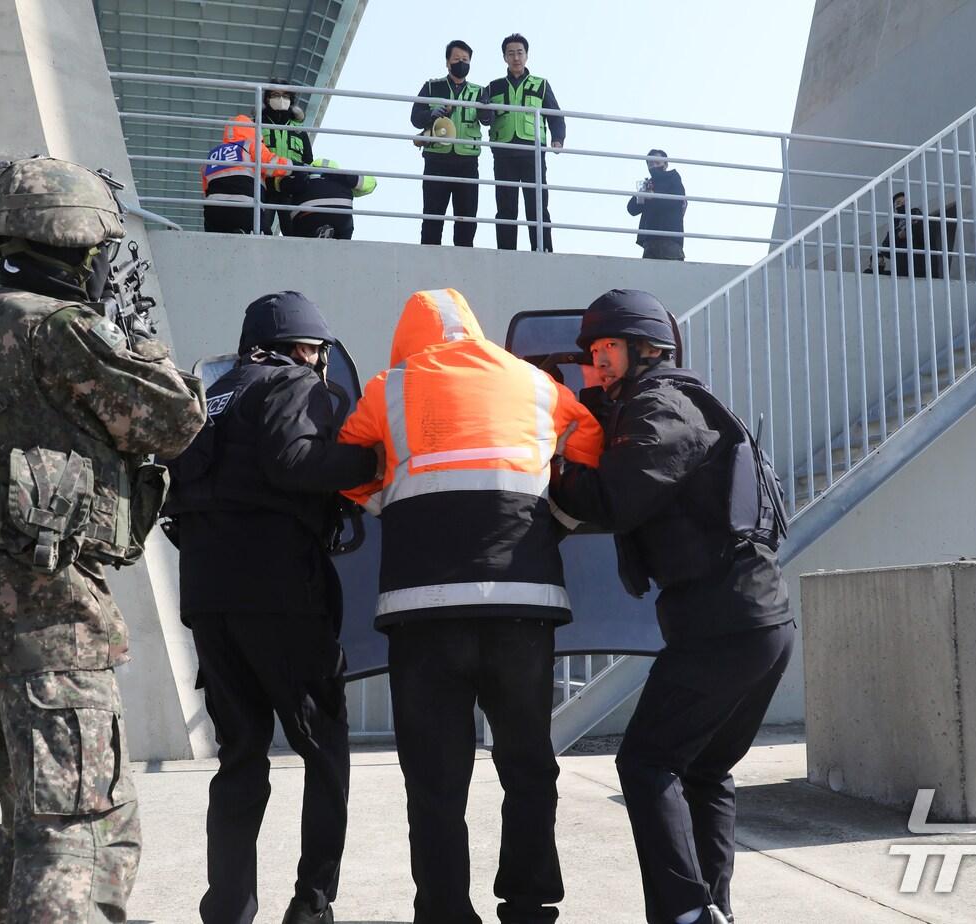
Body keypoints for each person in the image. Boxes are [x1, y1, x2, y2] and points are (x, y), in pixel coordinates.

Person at [0, 156, 205, 922]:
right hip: (47, 621)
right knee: (86, 835)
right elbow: (174, 420)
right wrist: (131, 335)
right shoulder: (59, 328)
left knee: (29, 833)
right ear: (78, 242)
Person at [337, 288, 603, 924]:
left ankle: (443, 909)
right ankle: (530, 902)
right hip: (522, 604)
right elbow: (588, 436)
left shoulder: (388, 387)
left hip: (422, 611)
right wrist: (556, 512)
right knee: (528, 762)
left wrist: (388, 501)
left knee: (434, 779)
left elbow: (344, 462)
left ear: (408, 338)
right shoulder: (535, 383)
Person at [550, 290, 795, 924]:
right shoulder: (670, 401)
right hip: (752, 619)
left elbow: (618, 497)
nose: (591, 367)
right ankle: (712, 909)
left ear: (639, 350)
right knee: (706, 770)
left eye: (601, 351)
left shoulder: (662, 404)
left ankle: (686, 912)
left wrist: (553, 472)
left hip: (722, 620)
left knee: (645, 761)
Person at [164, 291, 379, 924]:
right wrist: (372, 459)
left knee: (240, 757)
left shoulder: (213, 395)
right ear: (301, 348)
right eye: (315, 351)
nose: (317, 363)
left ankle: (228, 908)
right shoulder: (290, 382)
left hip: (208, 598)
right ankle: (311, 906)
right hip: (281, 595)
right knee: (324, 749)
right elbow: (293, 460)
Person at [485, 34, 566, 252]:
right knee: (505, 206)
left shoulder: (541, 84)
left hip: (532, 151)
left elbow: (555, 114)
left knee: (537, 204)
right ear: (504, 57)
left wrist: (557, 139)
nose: (516, 57)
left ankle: (543, 250)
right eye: (510, 53)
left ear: (527, 55)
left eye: (519, 52)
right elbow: (484, 117)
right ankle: (506, 251)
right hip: (504, 152)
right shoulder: (494, 87)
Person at [412, 40, 491, 247]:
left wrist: (484, 108)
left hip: (467, 161)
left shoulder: (479, 91)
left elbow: (487, 120)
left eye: (465, 59)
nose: (461, 63)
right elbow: (415, 118)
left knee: (467, 218)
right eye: (456, 59)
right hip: (437, 159)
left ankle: (464, 265)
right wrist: (430, 114)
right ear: (447, 62)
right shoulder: (431, 86)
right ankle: (428, 260)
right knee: (433, 216)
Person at [202, 113, 291, 234]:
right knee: (266, 243)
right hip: (245, 208)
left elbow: (205, 188)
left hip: (213, 212)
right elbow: (272, 164)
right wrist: (296, 166)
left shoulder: (212, 155)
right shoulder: (250, 145)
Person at [260, 78, 315, 236]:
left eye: (285, 96)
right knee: (259, 233)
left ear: (291, 100)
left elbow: (308, 161)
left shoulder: (299, 131)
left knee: (294, 236)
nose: (280, 99)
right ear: (267, 98)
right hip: (264, 189)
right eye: (275, 95)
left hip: (291, 190)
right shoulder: (257, 125)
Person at [281, 158, 377, 239]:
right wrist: (346, 177)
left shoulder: (303, 177)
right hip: (340, 216)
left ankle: (313, 236)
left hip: (307, 217)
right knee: (344, 234)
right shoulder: (343, 181)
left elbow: (281, 186)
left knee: (293, 224)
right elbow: (371, 185)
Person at [627, 149, 687, 260]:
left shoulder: (673, 178)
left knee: (673, 273)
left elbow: (677, 201)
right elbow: (631, 209)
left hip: (670, 238)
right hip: (649, 241)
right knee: (649, 275)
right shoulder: (647, 184)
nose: (654, 166)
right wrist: (640, 195)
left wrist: (653, 197)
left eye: (657, 162)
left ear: (666, 164)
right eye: (650, 163)